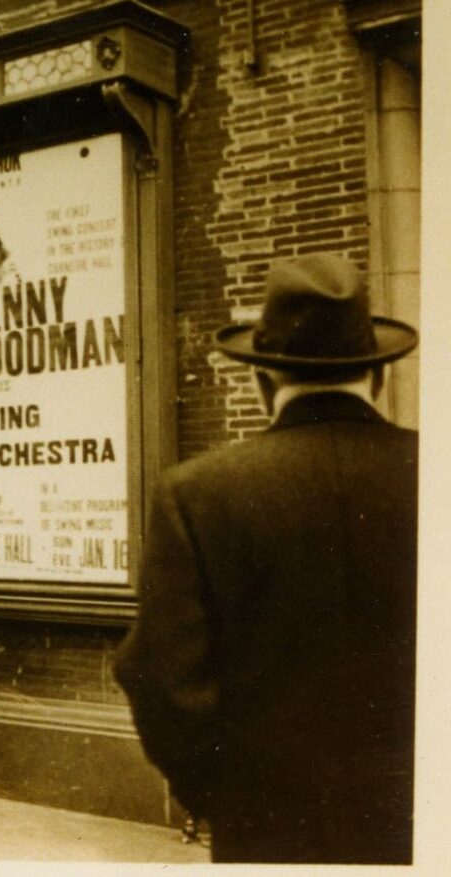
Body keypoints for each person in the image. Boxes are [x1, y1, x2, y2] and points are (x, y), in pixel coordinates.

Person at [114, 253, 419, 865]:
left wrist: (227, 797)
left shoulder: (196, 493)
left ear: (262, 383)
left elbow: (163, 683)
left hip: (269, 829)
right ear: (379, 378)